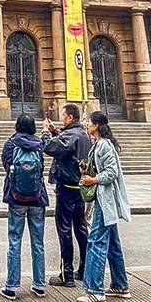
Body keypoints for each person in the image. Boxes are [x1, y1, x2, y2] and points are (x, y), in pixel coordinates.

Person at [77, 111, 131, 302]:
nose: (87, 125)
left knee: (96, 243)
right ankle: (120, 285)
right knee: (112, 244)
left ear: (97, 126)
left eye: (89, 122)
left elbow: (111, 172)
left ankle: (95, 293)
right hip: (104, 199)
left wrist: (93, 179)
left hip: (104, 200)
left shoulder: (104, 145)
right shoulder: (99, 144)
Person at [41, 103, 92, 287]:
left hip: (66, 188)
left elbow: (49, 147)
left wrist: (46, 132)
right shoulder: (83, 134)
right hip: (80, 188)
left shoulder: (70, 135)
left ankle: (66, 275)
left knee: (64, 230)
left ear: (70, 117)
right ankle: (85, 269)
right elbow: (67, 149)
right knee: (81, 229)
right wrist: (56, 132)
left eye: (63, 115)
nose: (61, 118)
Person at [0, 114, 48, 300]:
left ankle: (11, 286)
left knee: (14, 241)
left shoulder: (11, 144)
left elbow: (6, 166)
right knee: (38, 242)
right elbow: (41, 168)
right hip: (37, 198)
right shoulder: (39, 145)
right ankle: (39, 285)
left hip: (16, 197)